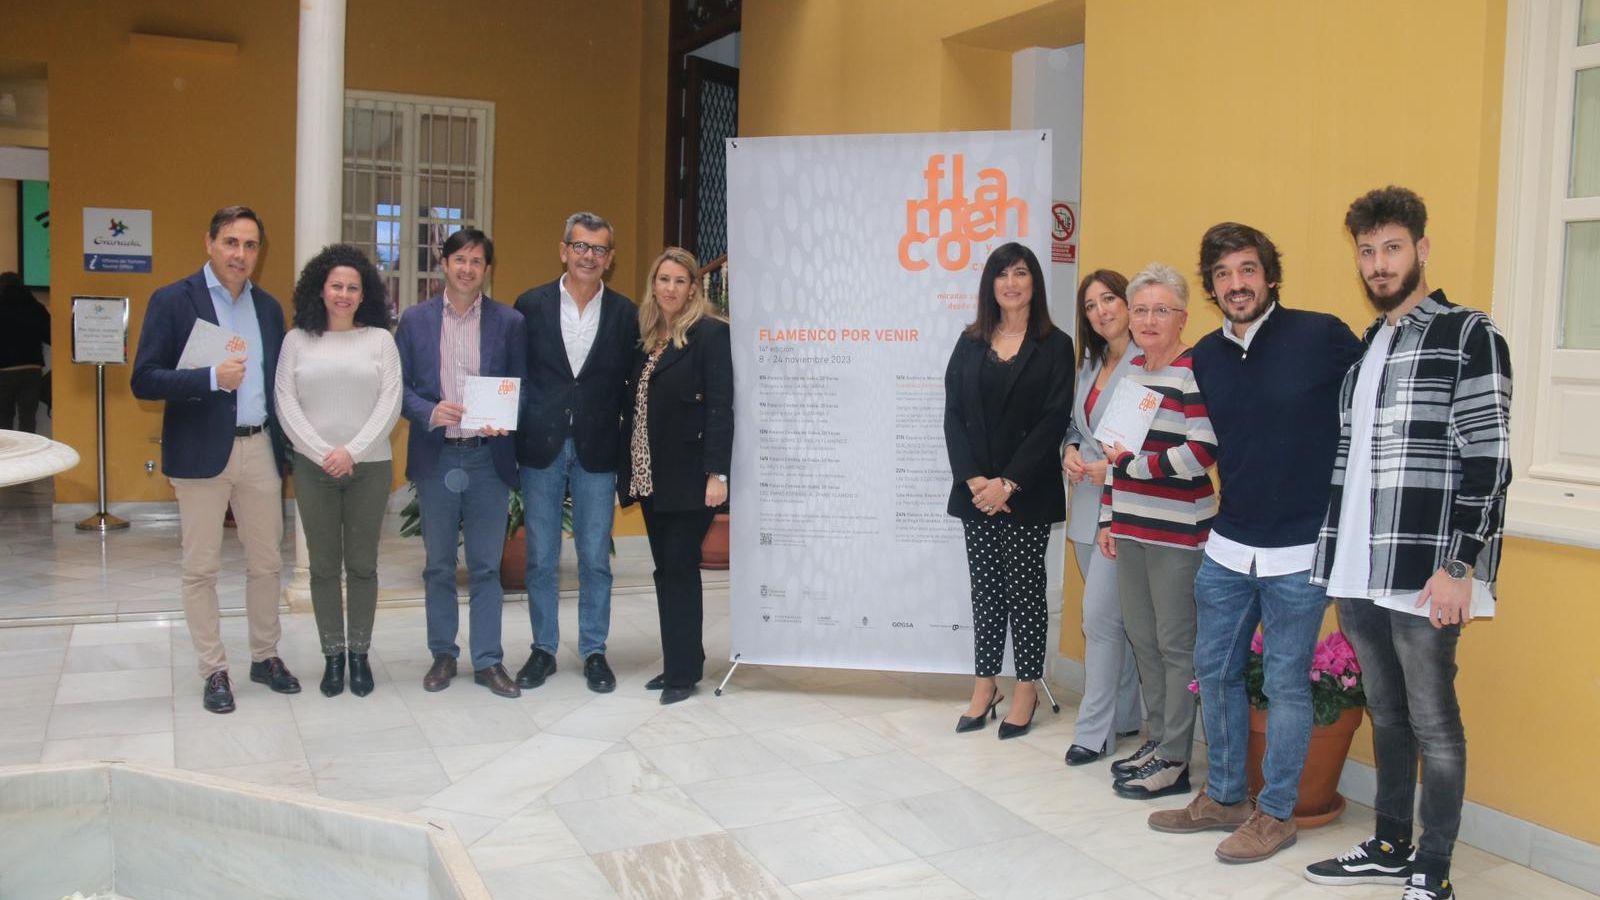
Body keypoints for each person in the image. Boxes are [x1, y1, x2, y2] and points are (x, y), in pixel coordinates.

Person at [1304, 186, 1512, 900]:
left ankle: (1434, 868)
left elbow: (1490, 458)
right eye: (1366, 251)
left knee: (1434, 722)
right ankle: (1392, 843)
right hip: (1362, 566)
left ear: (1421, 250)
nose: (1378, 263)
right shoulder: (1371, 346)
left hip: (1426, 568)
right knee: (1387, 712)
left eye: (1392, 248)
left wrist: (1462, 565)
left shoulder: (1467, 332)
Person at [1146, 224, 1363, 862]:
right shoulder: (1207, 356)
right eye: (1222, 274)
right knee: (1214, 673)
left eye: (1247, 270)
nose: (1236, 283)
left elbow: (1369, 415)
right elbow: (1193, 434)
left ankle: (1276, 814)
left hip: (1299, 551)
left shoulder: (1321, 337)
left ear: (1269, 276)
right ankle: (1225, 797)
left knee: (1289, 686)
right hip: (1227, 546)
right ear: (1211, 287)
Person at [130, 206, 300, 713]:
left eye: (250, 246)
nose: (240, 254)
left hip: (258, 449)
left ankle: (265, 657)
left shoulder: (268, 309)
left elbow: (275, 384)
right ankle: (214, 670)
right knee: (200, 568)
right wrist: (209, 378)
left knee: (267, 562)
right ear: (209, 243)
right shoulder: (173, 301)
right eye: (231, 242)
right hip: (201, 452)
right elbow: (144, 379)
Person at [944, 242, 1074, 740]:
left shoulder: (1055, 345)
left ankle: (1025, 688)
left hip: (1027, 492)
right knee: (986, 592)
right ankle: (985, 686)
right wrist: (977, 480)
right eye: (1002, 274)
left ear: (1034, 282)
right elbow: (953, 414)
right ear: (990, 285)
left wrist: (1008, 484)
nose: (1011, 283)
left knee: (1025, 593)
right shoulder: (970, 340)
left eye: (1021, 273)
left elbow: (1052, 421)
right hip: (977, 492)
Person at [1095, 262, 1216, 799]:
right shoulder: (1135, 372)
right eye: (1140, 309)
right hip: (1133, 526)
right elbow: (1110, 452)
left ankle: (1175, 760)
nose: (1147, 320)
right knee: (1143, 640)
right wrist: (1108, 516)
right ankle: (1157, 738)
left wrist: (1135, 467)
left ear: (1182, 317)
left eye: (1159, 310)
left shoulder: (1194, 372)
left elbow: (1203, 450)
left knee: (1175, 646)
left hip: (1179, 535)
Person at [395, 228, 526, 698]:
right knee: (438, 565)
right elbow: (401, 388)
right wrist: (428, 411)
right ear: (444, 263)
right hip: (438, 457)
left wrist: (504, 419)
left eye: (477, 261)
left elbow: (520, 384)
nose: (468, 268)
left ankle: (489, 660)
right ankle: (443, 655)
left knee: (487, 566)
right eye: (460, 259)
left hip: (487, 460)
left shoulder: (509, 322)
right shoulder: (415, 320)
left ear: (486, 269)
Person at [514, 212, 640, 694]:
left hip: (597, 448)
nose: (589, 256)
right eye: (581, 246)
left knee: (594, 557)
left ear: (610, 259)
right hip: (540, 446)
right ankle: (543, 649)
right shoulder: (530, 305)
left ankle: (593, 651)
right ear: (563, 249)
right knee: (541, 557)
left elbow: (631, 386)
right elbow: (518, 376)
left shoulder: (626, 314)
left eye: (599, 250)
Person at [275, 244, 402, 698]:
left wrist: (352, 451)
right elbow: (285, 403)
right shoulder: (296, 341)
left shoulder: (381, 341)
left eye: (352, 287)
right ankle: (333, 656)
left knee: (363, 566)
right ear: (320, 290)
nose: (344, 294)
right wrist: (323, 451)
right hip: (313, 469)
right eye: (336, 286)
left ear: (364, 293)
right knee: (324, 568)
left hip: (369, 467)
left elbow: (390, 403)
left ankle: (360, 656)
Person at [618, 247, 733, 705]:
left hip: (690, 476)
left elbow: (722, 407)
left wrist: (717, 473)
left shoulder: (710, 334)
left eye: (680, 281)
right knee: (666, 570)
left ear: (693, 288)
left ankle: (683, 674)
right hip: (650, 475)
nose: (670, 288)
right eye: (663, 279)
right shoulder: (647, 337)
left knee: (681, 569)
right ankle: (677, 663)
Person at [1060, 270, 1144, 765]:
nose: (1101, 312)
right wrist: (1070, 449)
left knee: (1099, 621)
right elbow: (1076, 424)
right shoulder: (1092, 362)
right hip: (1086, 509)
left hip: (1124, 508)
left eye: (1109, 299)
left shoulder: (1146, 361)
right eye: (1090, 306)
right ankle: (1127, 715)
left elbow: (1146, 442)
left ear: (1129, 302)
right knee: (1117, 620)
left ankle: (1094, 732)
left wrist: (1104, 470)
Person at [0, 272, 50, 433]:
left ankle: (5, 456)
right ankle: (29, 455)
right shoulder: (35, 307)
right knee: (28, 418)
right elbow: (50, 336)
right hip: (32, 369)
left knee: (4, 417)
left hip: (4, 370)